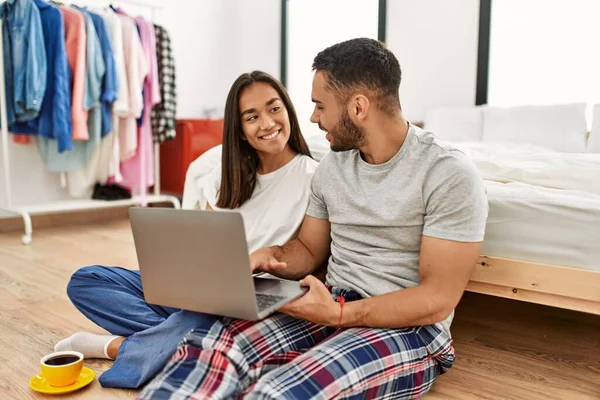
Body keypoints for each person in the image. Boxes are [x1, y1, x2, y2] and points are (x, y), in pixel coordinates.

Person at [138, 38, 489, 400]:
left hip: (408, 328)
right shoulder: (334, 166)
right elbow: (308, 248)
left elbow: (437, 299)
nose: (312, 117)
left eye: (320, 105)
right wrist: (268, 256)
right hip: (332, 301)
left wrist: (341, 315)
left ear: (358, 107)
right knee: (209, 356)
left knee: (276, 392)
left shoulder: (448, 174)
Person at [54, 71, 318, 389]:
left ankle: (118, 346)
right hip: (206, 288)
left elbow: (309, 252)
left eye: (274, 108)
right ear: (241, 131)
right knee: (86, 281)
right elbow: (204, 239)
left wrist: (267, 259)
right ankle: (180, 340)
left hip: (254, 295)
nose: (267, 123)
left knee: (200, 318)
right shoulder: (227, 172)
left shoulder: (311, 177)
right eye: (252, 116)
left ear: (288, 110)